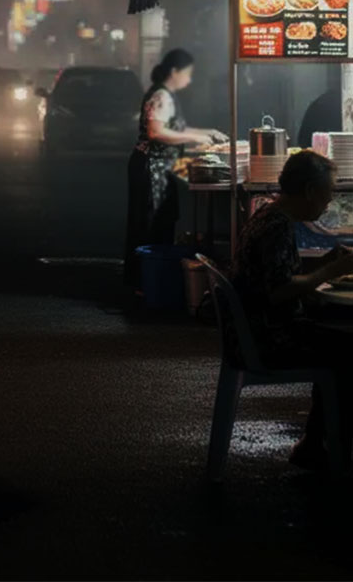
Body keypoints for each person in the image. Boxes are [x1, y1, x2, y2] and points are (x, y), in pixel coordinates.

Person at [231, 150, 353, 469]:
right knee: (347, 350)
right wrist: (329, 272)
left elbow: (278, 275)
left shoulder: (270, 217)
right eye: (328, 193)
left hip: (259, 329)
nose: (329, 201)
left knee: (339, 334)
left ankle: (316, 442)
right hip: (270, 338)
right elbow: (279, 291)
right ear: (311, 191)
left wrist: (326, 263)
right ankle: (333, 446)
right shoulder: (277, 227)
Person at [124, 48, 224, 286]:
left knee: (160, 221)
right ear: (174, 71)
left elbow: (176, 129)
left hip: (157, 167)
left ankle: (146, 279)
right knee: (150, 223)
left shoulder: (165, 94)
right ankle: (144, 281)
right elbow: (156, 131)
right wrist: (195, 139)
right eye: (187, 74)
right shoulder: (161, 95)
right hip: (151, 168)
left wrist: (206, 133)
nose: (189, 80)